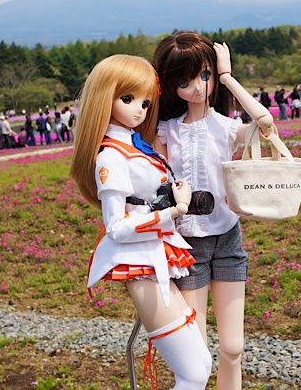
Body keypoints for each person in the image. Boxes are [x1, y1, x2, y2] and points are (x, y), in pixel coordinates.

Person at [71, 54, 211, 390]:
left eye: (146, 103)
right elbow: (116, 228)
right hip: (140, 264)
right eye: (128, 98)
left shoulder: (137, 147)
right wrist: (173, 211)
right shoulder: (111, 155)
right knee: (193, 373)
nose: (139, 110)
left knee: (202, 364)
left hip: (157, 259)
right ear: (104, 98)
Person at [153, 32, 274, 390]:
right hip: (188, 243)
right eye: (184, 81)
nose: (195, 88)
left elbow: (265, 123)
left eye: (203, 76)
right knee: (198, 353)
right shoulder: (167, 130)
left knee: (233, 348)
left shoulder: (226, 126)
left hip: (228, 238)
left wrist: (227, 78)